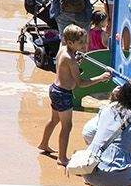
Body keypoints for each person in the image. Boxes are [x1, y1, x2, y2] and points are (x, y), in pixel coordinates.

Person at [39, 24, 112, 166]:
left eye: (85, 41)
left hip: (55, 89)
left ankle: (43, 143)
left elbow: (63, 68)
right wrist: (100, 78)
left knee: (54, 120)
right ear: (70, 42)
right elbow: (80, 83)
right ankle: (62, 158)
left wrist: (76, 61)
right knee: (67, 126)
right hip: (63, 94)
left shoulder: (63, 51)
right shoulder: (71, 59)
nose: (85, 45)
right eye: (81, 43)